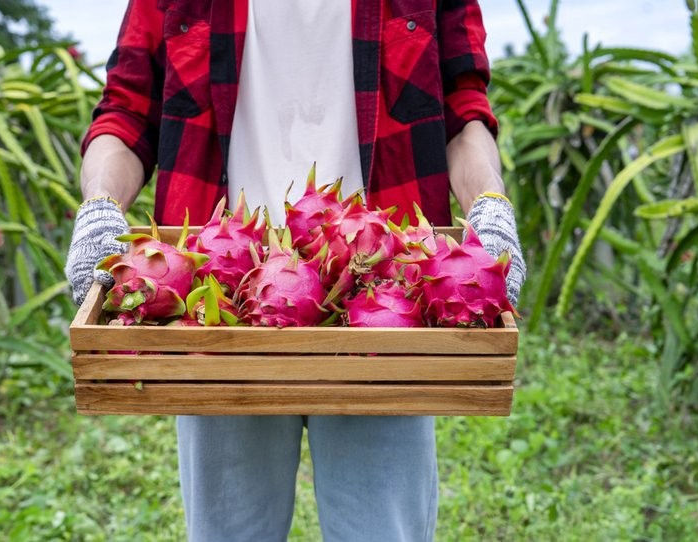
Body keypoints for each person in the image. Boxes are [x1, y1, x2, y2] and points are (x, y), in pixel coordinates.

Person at [66, 0, 526, 540]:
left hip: (384, 300)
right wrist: (99, 205)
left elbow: (463, 112)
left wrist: (490, 203)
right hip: (221, 304)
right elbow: (126, 113)